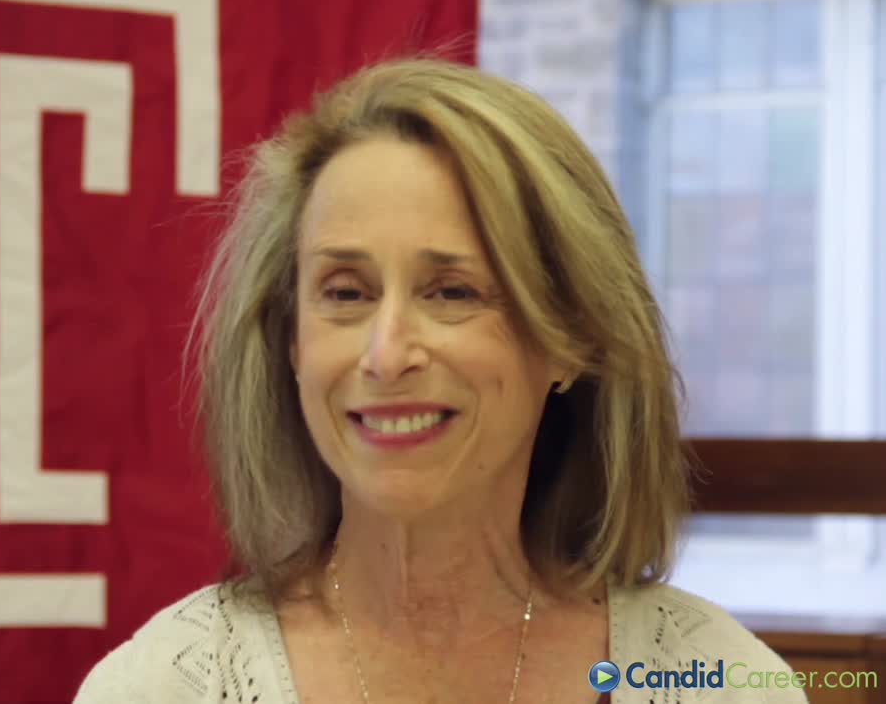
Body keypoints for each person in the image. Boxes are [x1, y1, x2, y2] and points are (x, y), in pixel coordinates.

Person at [74, 57, 805, 704]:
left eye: (452, 291)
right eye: (345, 292)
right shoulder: (162, 686)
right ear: (291, 341)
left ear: (571, 337)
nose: (386, 354)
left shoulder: (720, 680)